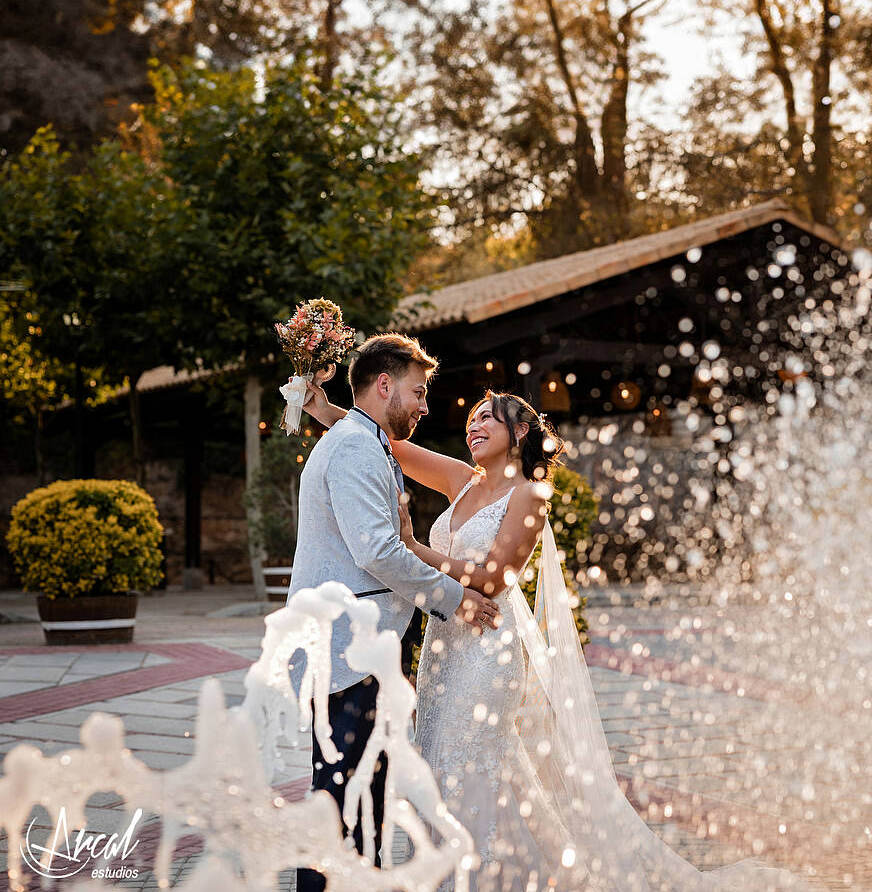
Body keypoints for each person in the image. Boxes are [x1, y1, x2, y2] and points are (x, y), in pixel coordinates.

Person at [302, 379, 814, 891]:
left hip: (486, 652)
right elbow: (383, 439)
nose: (473, 425)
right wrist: (324, 408)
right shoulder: (462, 480)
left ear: (520, 430)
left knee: (474, 771)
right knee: (441, 768)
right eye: (472, 419)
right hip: (441, 654)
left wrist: (413, 545)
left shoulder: (531, 493)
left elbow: (494, 577)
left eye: (487, 418)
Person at [285, 333, 499, 892]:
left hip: (360, 648)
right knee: (340, 800)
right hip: (348, 652)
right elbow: (378, 551)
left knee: (362, 795)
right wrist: (456, 601)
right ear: (384, 385)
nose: (426, 404)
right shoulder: (356, 447)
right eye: (418, 390)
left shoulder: (364, 440)